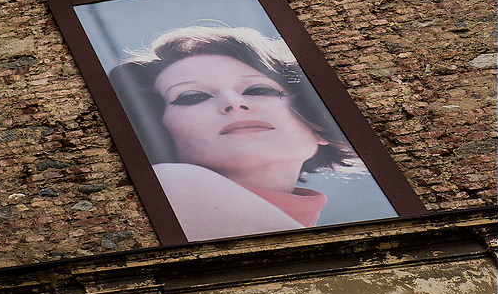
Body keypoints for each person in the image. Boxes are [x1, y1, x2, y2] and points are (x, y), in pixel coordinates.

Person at [107, 24, 396, 242]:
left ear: (317, 125)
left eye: (259, 90)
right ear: (162, 132)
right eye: (192, 96)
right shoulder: (172, 184)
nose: (233, 102)